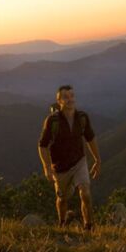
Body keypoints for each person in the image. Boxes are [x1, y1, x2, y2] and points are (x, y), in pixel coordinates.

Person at [38, 85, 102, 230]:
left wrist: (97, 160)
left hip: (79, 162)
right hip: (60, 167)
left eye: (72, 96)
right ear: (59, 101)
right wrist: (47, 167)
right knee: (62, 199)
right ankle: (62, 223)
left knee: (85, 193)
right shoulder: (52, 121)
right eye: (66, 97)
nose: (70, 99)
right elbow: (42, 146)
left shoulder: (82, 118)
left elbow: (90, 138)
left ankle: (89, 227)